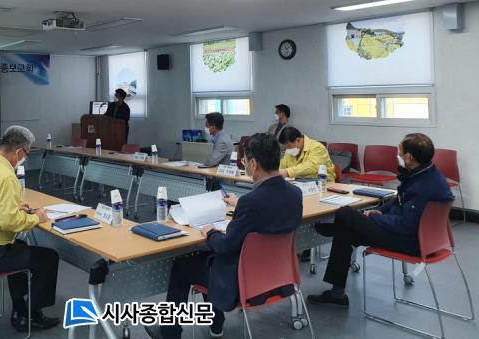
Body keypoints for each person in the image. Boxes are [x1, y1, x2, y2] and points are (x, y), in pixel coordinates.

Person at [144, 133, 303, 339]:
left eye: (245, 160)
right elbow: (268, 219)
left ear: (253, 164)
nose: (244, 164)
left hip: (243, 282)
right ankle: (215, 323)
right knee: (206, 259)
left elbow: (225, 247)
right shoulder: (295, 193)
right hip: (278, 278)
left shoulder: (251, 202)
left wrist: (210, 232)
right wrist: (240, 207)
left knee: (184, 263)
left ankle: (170, 332)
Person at [307, 133, 454, 307]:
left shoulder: (422, 186)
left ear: (409, 157)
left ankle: (334, 231)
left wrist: (377, 218)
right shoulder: (427, 173)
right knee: (345, 229)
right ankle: (337, 294)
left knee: (345, 214)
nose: (398, 155)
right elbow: (398, 200)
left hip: (411, 242)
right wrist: (379, 210)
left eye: (400, 152)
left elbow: (405, 225)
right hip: (424, 238)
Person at [0, 126, 60, 331]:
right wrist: (36, 217)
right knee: (48, 258)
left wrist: (15, 208)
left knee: (19, 247)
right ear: (19, 152)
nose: (24, 159)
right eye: (27, 154)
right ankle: (31, 315)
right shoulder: (7, 177)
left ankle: (20, 309)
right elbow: (9, 222)